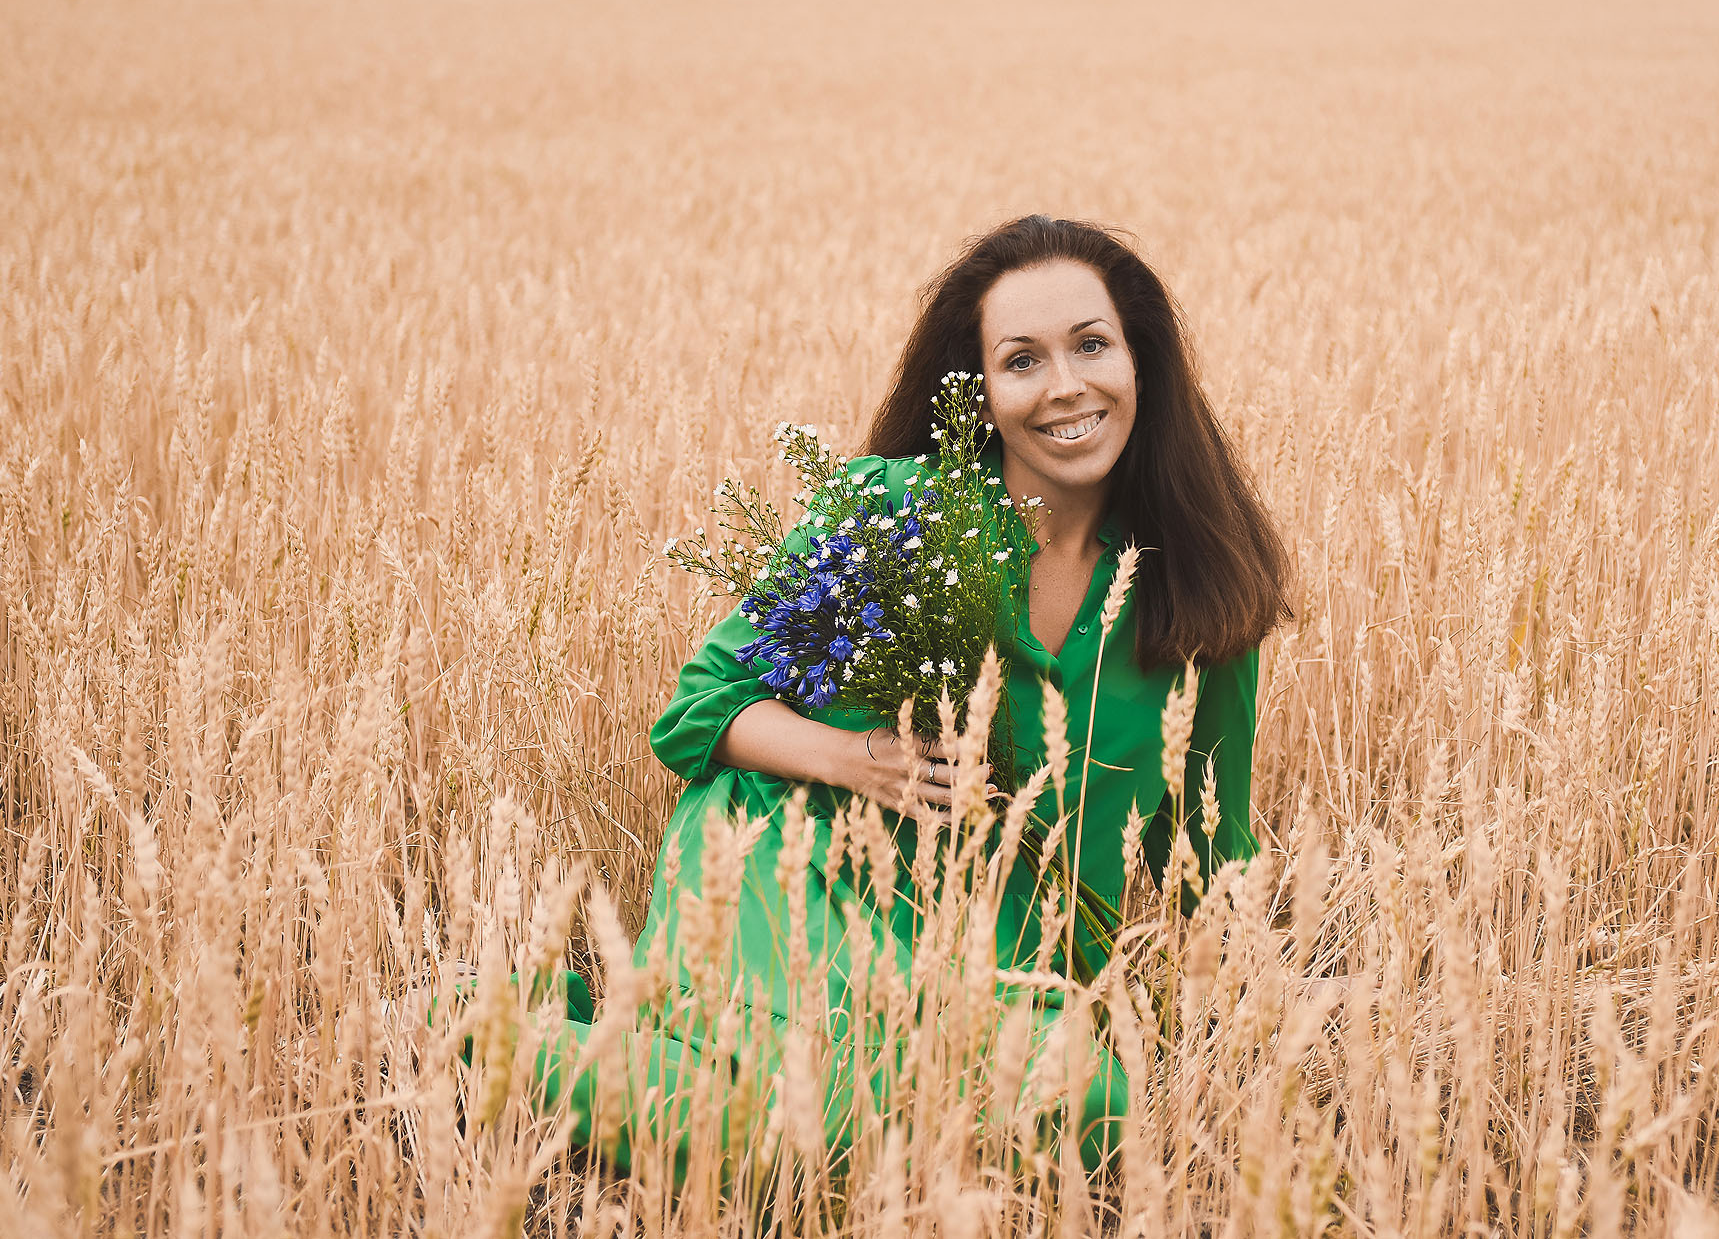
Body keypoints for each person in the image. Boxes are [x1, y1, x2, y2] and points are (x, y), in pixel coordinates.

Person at [536, 214, 1290, 1175]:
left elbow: (1208, 854)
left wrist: (1251, 1032)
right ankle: (493, 1031)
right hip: (798, 859)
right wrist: (857, 758)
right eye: (1023, 360)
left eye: (1092, 345)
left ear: (1141, 362)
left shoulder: (1197, 589)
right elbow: (700, 705)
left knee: (1095, 1105)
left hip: (1003, 947)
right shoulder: (895, 506)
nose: (1066, 385)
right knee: (812, 1125)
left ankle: (587, 1045)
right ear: (978, 395)